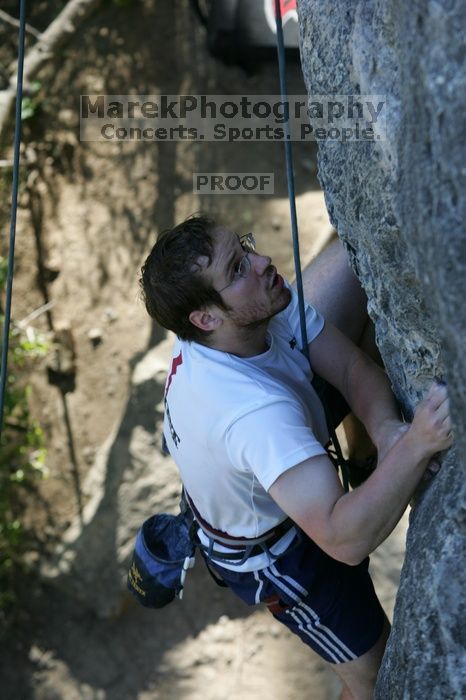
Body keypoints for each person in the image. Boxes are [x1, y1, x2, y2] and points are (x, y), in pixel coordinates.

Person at [139, 214, 453, 700]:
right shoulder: (251, 414)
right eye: (238, 269)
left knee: (353, 268)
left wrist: (389, 432)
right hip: (278, 552)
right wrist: (420, 442)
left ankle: (364, 460)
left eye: (246, 248)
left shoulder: (256, 311)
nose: (263, 262)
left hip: (275, 435)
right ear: (206, 319)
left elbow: (349, 367)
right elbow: (342, 540)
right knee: (379, 685)